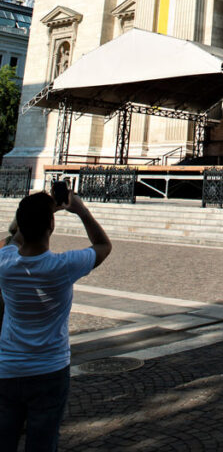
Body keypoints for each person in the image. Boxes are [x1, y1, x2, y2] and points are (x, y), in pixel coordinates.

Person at [0, 188, 112, 452]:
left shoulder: (5, 262)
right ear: (51, 226)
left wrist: (35, 211)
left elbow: (13, 239)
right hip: (49, 369)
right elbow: (103, 246)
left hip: (8, 368)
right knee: (43, 443)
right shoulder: (63, 266)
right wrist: (80, 210)